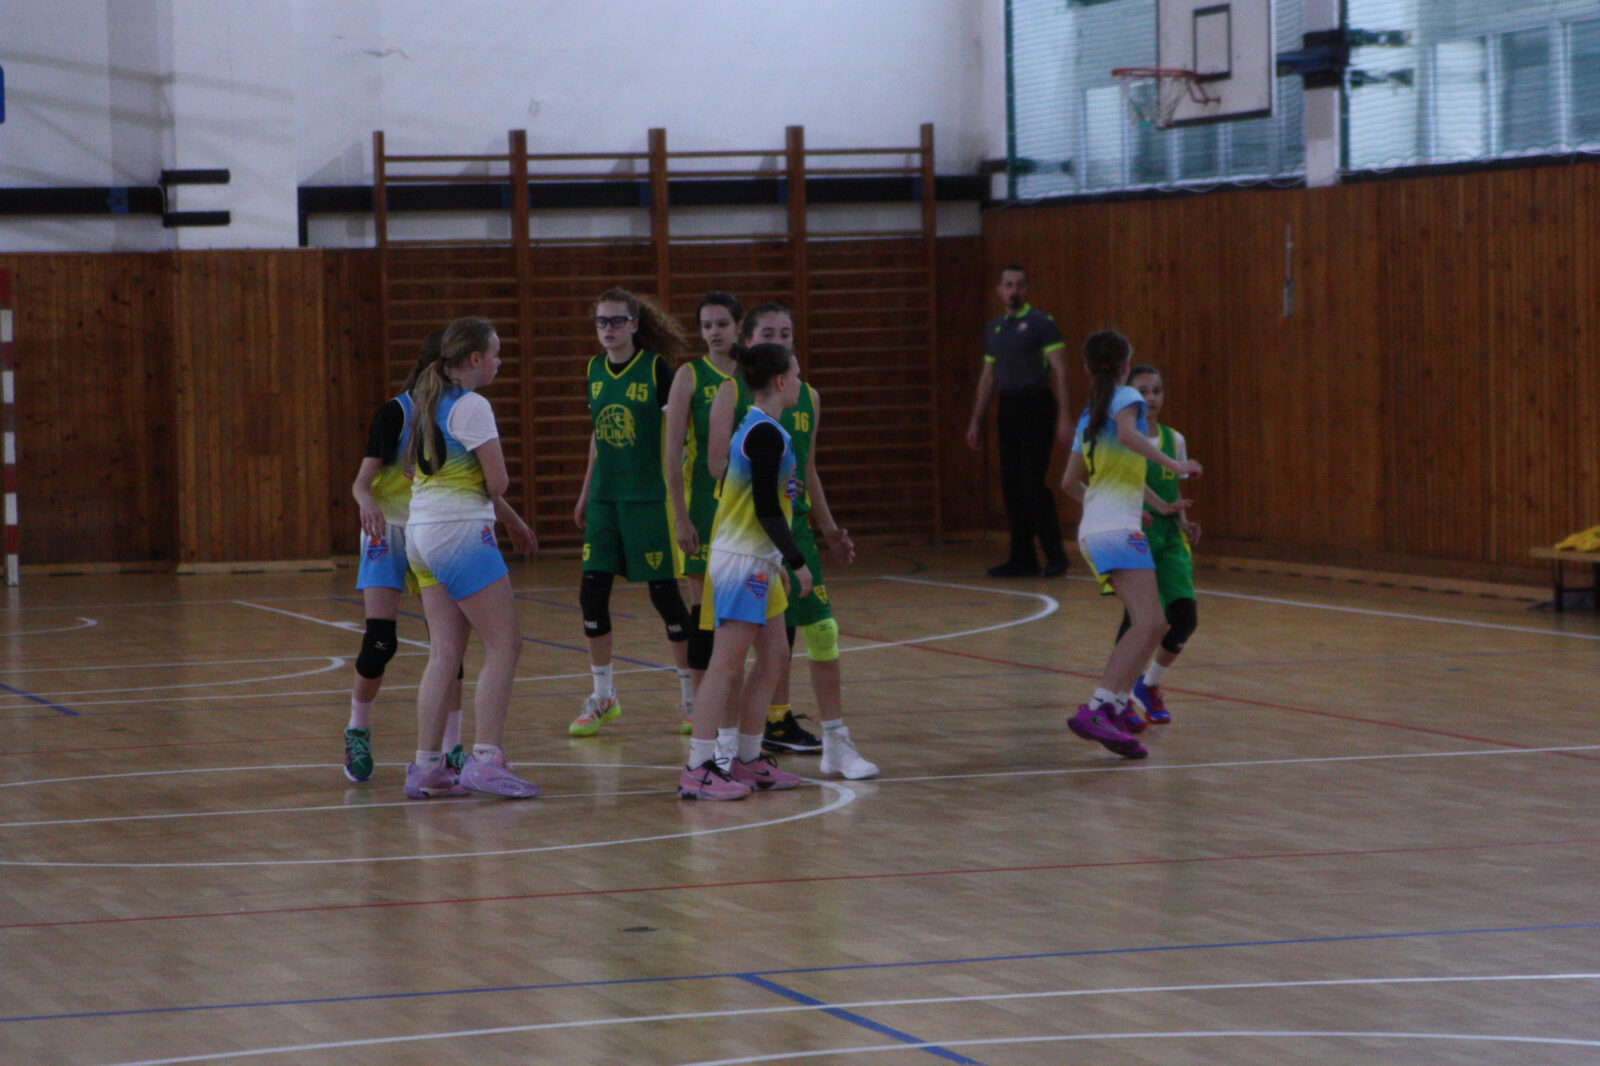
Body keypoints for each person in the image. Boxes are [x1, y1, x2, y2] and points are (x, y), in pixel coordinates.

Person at [707, 303, 877, 778]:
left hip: (787, 531)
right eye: (769, 333)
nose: (780, 340)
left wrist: (829, 530)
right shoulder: (737, 397)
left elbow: (809, 470)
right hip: (748, 538)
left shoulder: (807, 398)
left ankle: (832, 743)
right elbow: (720, 468)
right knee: (731, 659)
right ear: (750, 340)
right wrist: (764, 483)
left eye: (787, 332)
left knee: (810, 637)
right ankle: (716, 754)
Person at [401, 316, 541, 799]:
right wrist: (507, 509)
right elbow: (496, 482)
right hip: (459, 534)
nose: (500, 362)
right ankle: (485, 758)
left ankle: (426, 767)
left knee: (444, 652)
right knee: (504, 645)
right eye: (496, 353)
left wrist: (512, 521)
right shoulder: (473, 405)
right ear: (476, 358)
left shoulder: (426, 400)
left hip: (422, 533)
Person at [678, 342, 812, 800]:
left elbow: (766, 500)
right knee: (725, 665)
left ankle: (747, 759)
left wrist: (774, 559)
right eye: (796, 375)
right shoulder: (765, 433)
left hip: (758, 560)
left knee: (775, 657)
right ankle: (698, 766)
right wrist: (796, 561)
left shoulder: (763, 429)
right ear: (780, 381)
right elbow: (767, 509)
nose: (800, 382)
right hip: (741, 563)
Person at [1059, 330, 1200, 760]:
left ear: (1087, 369)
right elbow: (1127, 437)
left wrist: (1154, 505)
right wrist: (1175, 464)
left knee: (1154, 623)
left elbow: (1070, 483)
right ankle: (1098, 707)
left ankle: (1116, 707)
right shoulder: (1126, 401)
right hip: (1114, 530)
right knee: (1148, 623)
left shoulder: (1089, 416)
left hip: (1099, 527)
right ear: (1125, 366)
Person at [344, 329, 469, 784]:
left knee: (449, 644)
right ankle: (357, 730)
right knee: (381, 641)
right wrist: (367, 502)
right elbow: (361, 483)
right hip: (389, 531)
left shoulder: (460, 413)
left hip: (436, 529)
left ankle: (453, 746)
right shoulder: (396, 413)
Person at [570, 288, 695, 737]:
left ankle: (691, 698)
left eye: (617, 321)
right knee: (591, 594)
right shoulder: (594, 370)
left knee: (665, 596)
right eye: (601, 321)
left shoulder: (657, 369)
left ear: (635, 325)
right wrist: (586, 491)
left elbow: (679, 431)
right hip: (606, 498)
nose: (608, 329)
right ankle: (603, 696)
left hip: (647, 498)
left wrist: (682, 497)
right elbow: (597, 434)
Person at [663, 292, 742, 729]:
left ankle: (736, 711)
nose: (713, 332)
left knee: (744, 618)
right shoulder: (690, 376)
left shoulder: (753, 374)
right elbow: (672, 454)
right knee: (704, 614)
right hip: (703, 508)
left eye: (722, 324)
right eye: (707, 325)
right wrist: (681, 516)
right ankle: (698, 709)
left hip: (747, 511)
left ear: (739, 327)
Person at [965, 264, 1073, 578]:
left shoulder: (1042, 323)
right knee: (1011, 484)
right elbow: (988, 377)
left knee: (1031, 481)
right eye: (1009, 285)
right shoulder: (994, 329)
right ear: (999, 290)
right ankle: (1022, 558)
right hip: (1009, 406)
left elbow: (1061, 370)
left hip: (1037, 405)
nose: (1014, 290)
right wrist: (976, 420)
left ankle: (1056, 556)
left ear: (1027, 289)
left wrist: (1064, 416)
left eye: (1020, 285)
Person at [1118, 363, 1201, 729]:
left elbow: (1173, 487)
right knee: (1138, 620)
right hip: (1134, 535)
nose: (1151, 398)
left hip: (1168, 538)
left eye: (1157, 391)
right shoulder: (1122, 438)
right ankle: (1117, 697)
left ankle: (1147, 685)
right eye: (1143, 392)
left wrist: (1183, 521)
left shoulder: (1174, 439)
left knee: (1184, 618)